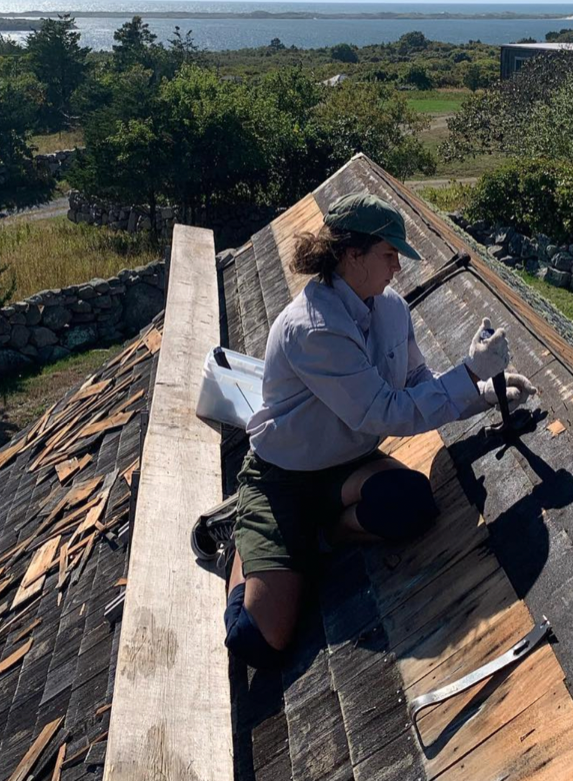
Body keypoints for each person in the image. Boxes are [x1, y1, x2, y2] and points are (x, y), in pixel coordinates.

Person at [216, 193, 537, 669]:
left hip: (348, 464)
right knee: (257, 641)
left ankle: (326, 535)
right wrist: (469, 375)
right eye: (389, 256)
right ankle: (246, 537)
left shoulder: (388, 310)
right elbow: (385, 413)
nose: (397, 270)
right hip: (282, 477)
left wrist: (481, 394)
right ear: (353, 255)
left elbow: (416, 384)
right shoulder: (314, 329)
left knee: (412, 504)